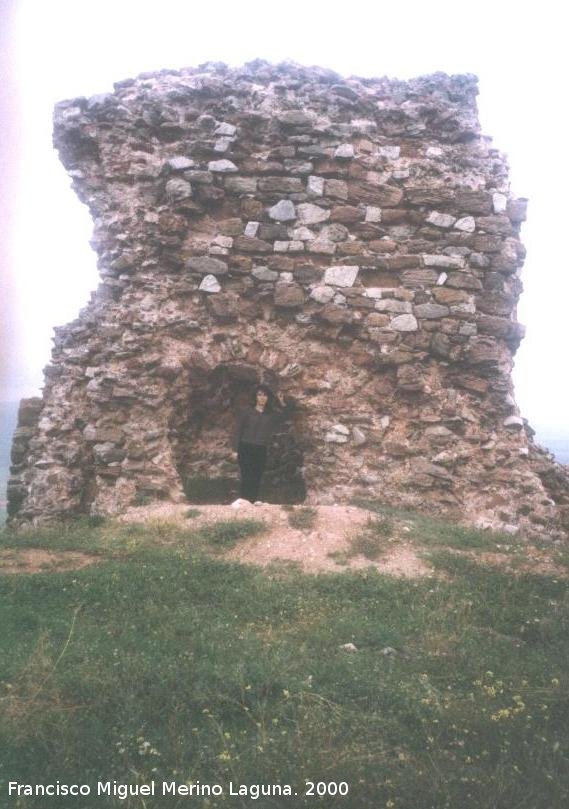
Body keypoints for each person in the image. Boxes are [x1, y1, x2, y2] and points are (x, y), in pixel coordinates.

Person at [231, 384, 294, 503]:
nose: (262, 398)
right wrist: (235, 450)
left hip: (261, 448)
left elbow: (287, 415)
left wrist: (282, 402)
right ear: (255, 397)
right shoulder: (247, 412)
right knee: (246, 475)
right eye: (259, 395)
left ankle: (252, 501)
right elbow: (237, 430)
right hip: (246, 447)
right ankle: (244, 502)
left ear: (268, 398)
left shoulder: (271, 415)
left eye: (265, 395)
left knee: (257, 475)